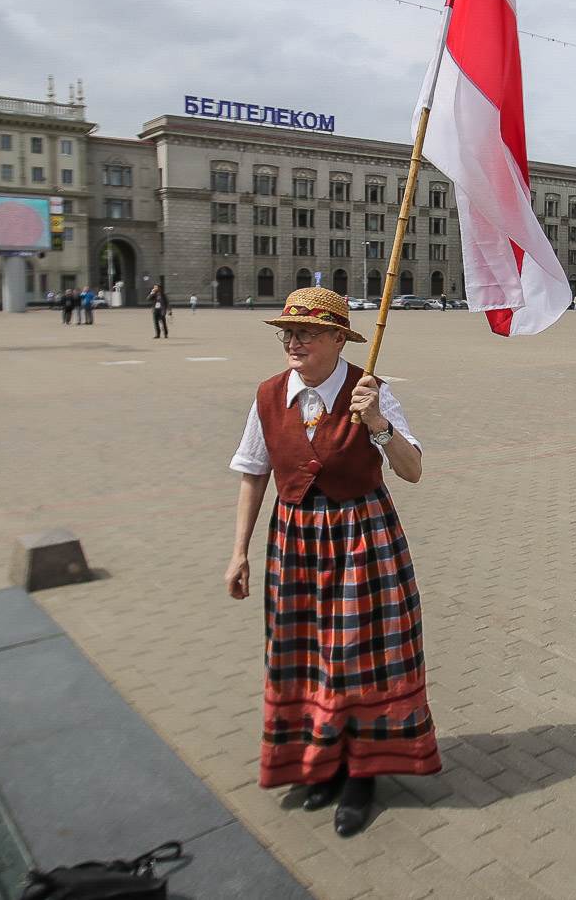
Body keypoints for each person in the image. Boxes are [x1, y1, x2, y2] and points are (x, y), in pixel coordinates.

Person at [225, 288, 439, 838]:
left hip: (360, 536)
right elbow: (254, 472)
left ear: (339, 339)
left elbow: (413, 471)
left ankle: (363, 773)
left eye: (307, 333)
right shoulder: (270, 396)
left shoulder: (370, 393)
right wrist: (238, 552)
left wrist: (378, 427)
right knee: (308, 654)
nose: (293, 342)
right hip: (295, 538)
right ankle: (323, 764)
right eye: (287, 333)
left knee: (357, 657)